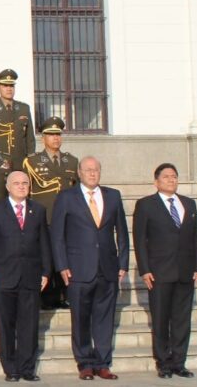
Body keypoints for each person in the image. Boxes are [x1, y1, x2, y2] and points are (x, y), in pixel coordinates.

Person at [51, 156, 129, 381]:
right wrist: (62, 265)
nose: (92, 173)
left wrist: (123, 263)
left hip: (107, 268)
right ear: (79, 172)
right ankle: (85, 363)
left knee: (105, 319)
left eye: (96, 170)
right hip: (78, 269)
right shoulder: (67, 197)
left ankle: (102, 363)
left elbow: (122, 232)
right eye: (88, 170)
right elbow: (57, 235)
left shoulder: (113, 196)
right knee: (81, 318)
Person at [133, 163, 197, 379]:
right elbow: (139, 239)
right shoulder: (146, 205)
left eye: (174, 176)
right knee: (161, 320)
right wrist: (144, 269)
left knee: (182, 320)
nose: (171, 180)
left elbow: (196, 237)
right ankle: (163, 363)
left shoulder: (188, 204)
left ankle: (179, 362)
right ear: (156, 182)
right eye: (166, 177)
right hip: (159, 272)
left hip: (185, 272)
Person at [0, 171, 52, 382]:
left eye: (25, 183)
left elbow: (44, 242)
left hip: (31, 276)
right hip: (3, 276)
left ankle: (27, 368)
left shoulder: (38, 210)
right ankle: (10, 368)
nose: (21, 186)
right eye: (17, 183)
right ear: (8, 187)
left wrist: (46, 271)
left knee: (29, 325)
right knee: (5, 325)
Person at [22, 117, 79, 309]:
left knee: (66, 256)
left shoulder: (71, 161)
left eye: (58, 135)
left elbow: (76, 191)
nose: (55, 138)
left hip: (67, 219)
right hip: (44, 217)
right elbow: (26, 191)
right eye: (51, 135)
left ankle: (65, 294)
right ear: (43, 138)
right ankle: (47, 297)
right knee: (46, 257)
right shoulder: (32, 162)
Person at [0, 69, 35, 166]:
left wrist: (31, 158)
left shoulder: (24, 108)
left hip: (20, 160)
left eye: (11, 86)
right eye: (5, 86)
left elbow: (29, 137)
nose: (9, 89)